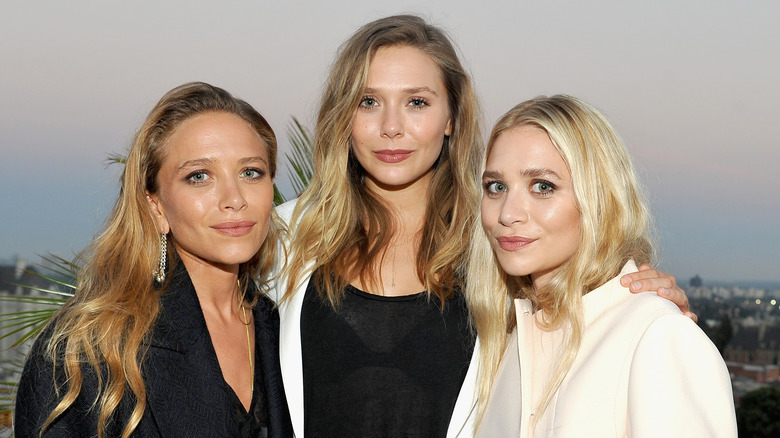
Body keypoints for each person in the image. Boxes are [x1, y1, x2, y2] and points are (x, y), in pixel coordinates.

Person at [274, 15, 692, 438]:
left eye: (417, 102)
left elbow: (592, 331)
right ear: (343, 115)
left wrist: (649, 308)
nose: (391, 127)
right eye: (368, 102)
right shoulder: (283, 239)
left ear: (452, 117)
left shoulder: (504, 244)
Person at [15, 82, 293, 437]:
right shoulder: (89, 349)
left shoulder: (285, 327)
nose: (234, 198)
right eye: (199, 176)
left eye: (251, 172)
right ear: (156, 207)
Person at [468, 95, 736, 437]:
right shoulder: (502, 345)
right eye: (496, 187)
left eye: (543, 186)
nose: (507, 213)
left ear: (598, 200)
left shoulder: (657, 337)